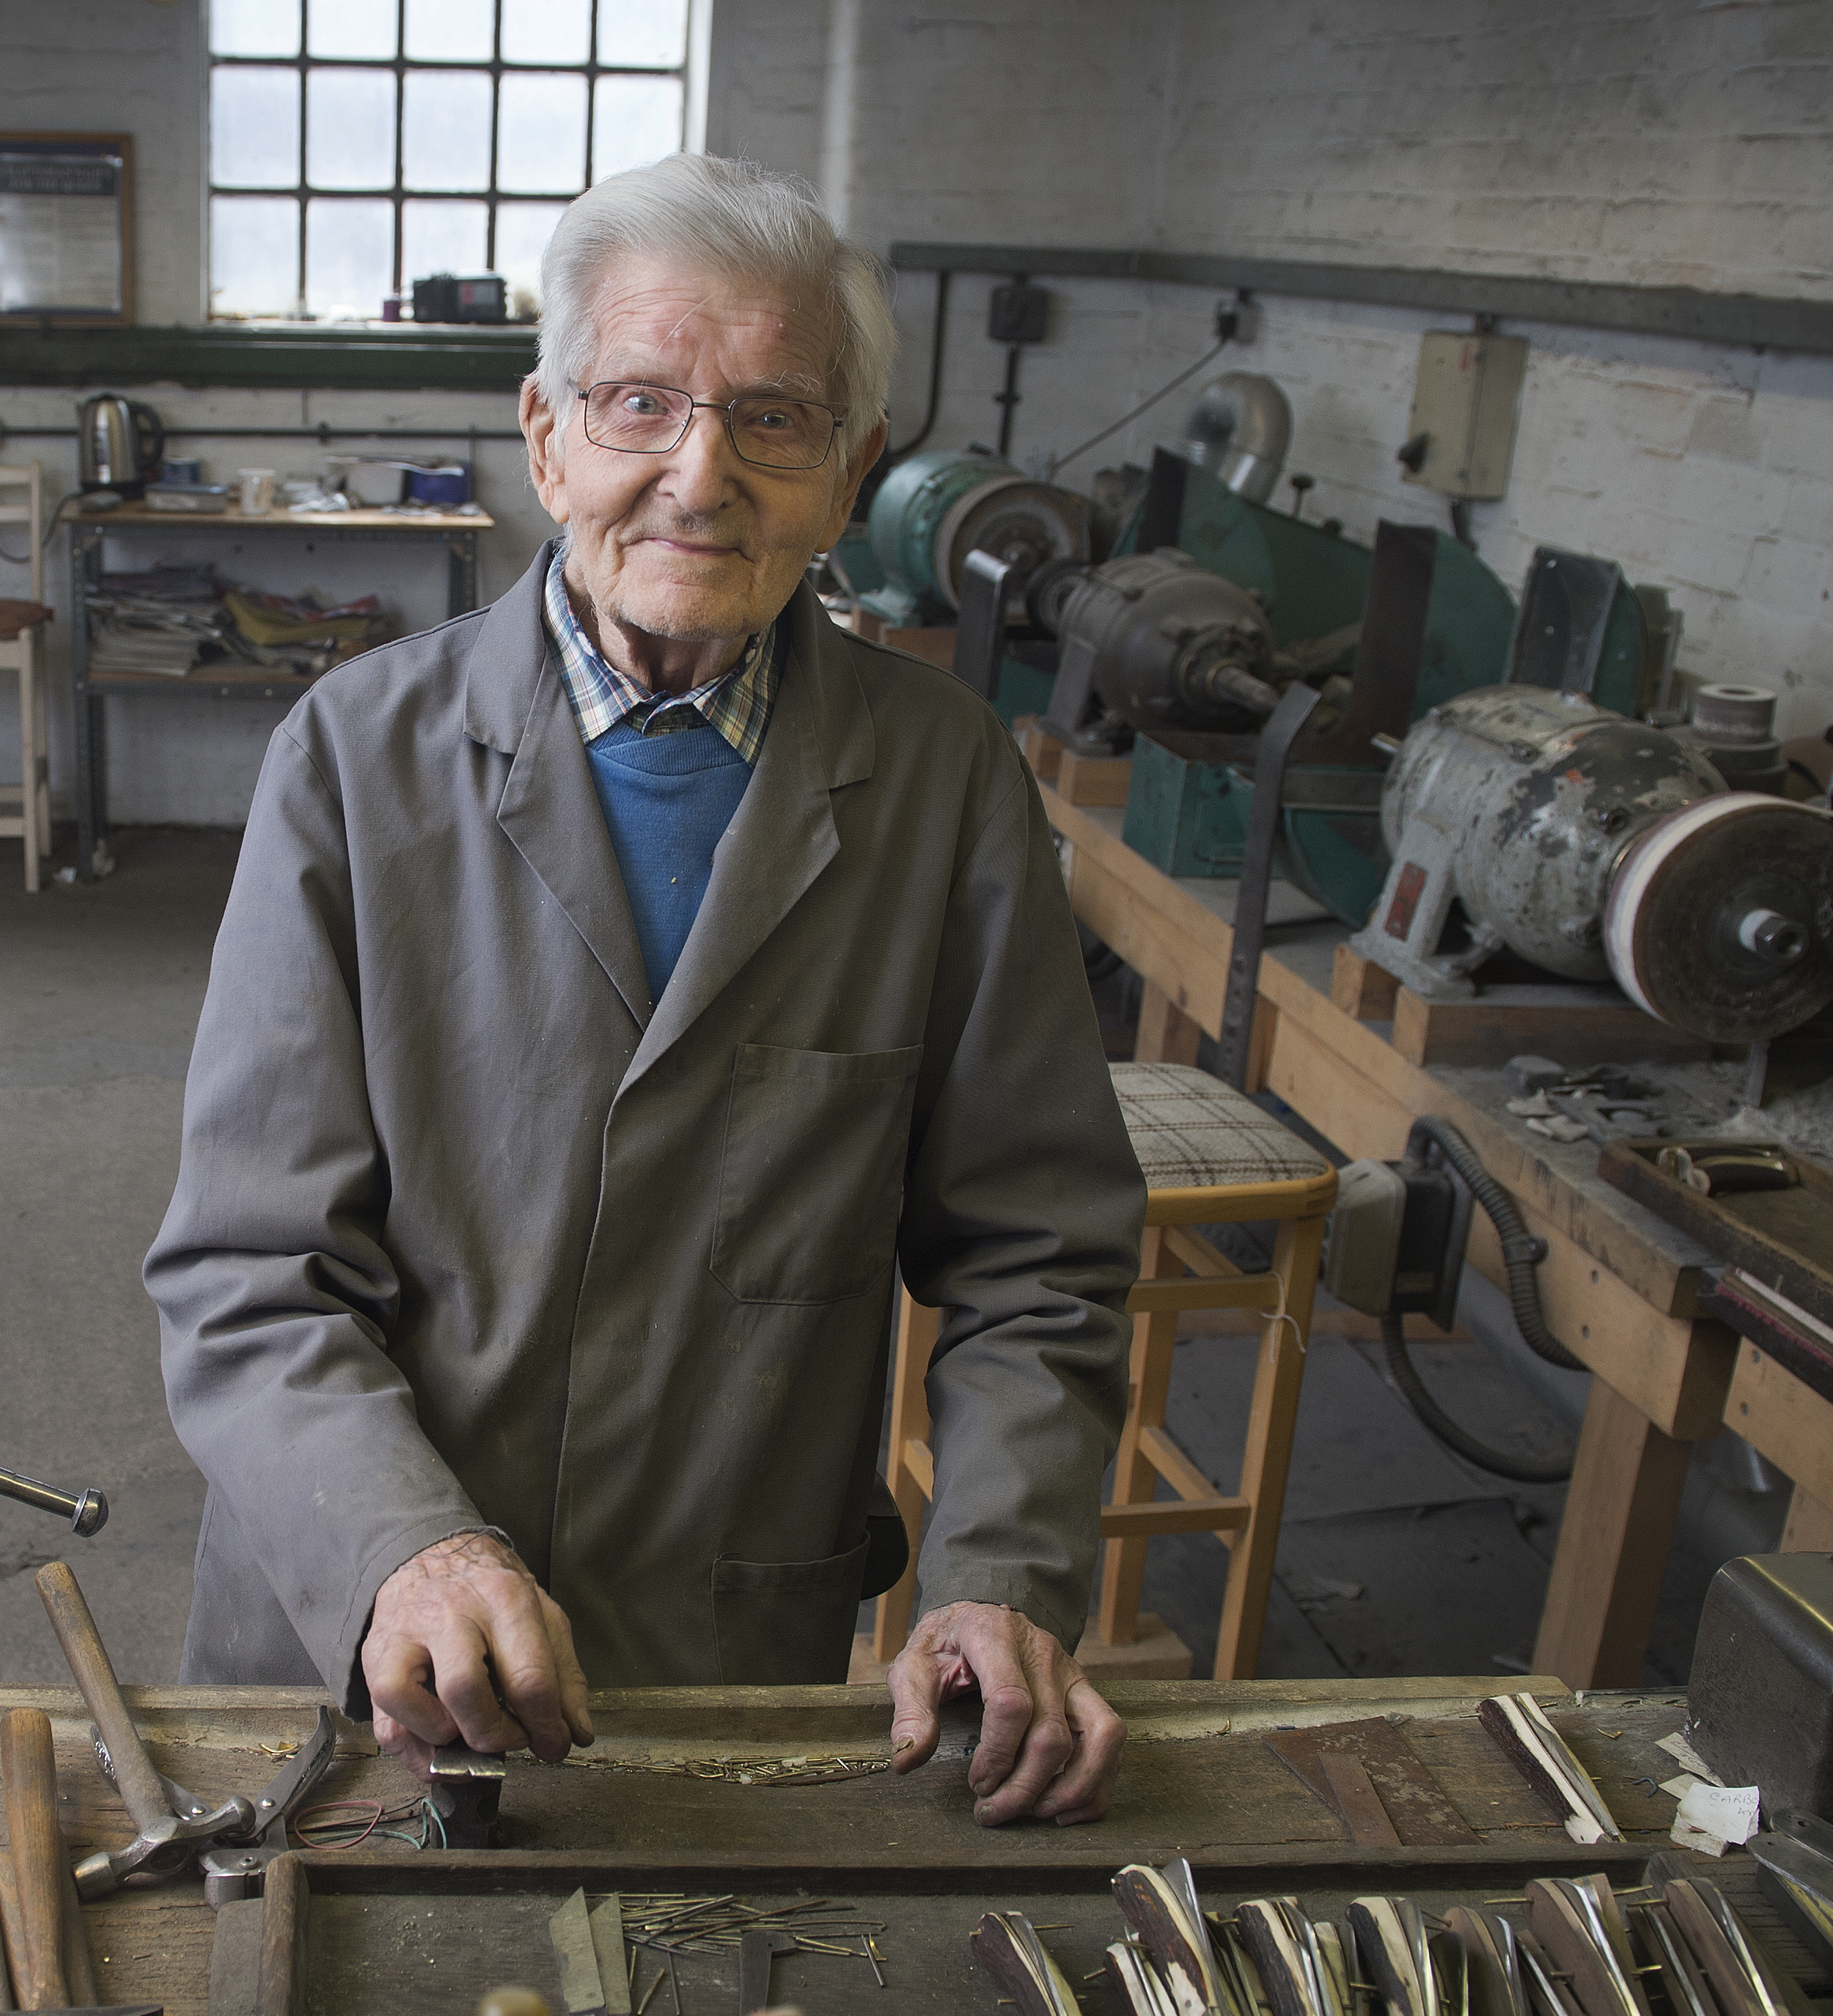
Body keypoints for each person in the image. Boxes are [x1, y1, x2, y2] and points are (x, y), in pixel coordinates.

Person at [144, 153, 1145, 1826]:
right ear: (545, 436)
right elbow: (249, 1266)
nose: (699, 477)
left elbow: (1035, 1260)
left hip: (715, 1643)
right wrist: (405, 1541)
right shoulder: (353, 758)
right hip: (353, 1629)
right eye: (638, 404)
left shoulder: (944, 780)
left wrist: (999, 1569)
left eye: (773, 419)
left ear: (852, 478)